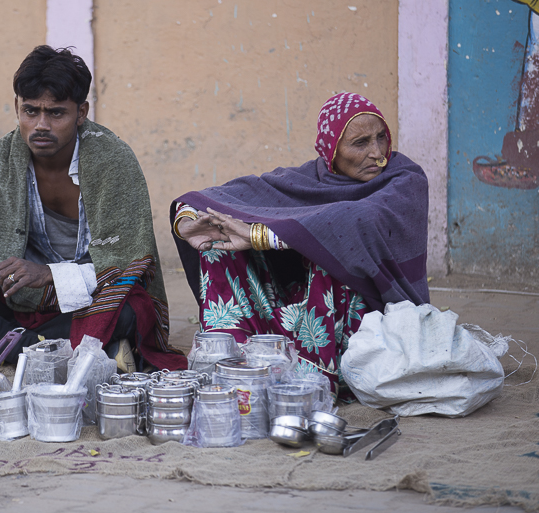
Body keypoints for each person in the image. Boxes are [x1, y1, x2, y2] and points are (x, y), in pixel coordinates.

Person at [0, 45, 186, 372]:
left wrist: (48, 275)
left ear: (81, 112)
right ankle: (68, 353)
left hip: (86, 304)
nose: (41, 124)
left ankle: (2, 347)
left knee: (129, 310)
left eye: (56, 113)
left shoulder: (114, 161)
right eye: (31, 111)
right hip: (16, 302)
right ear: (17, 107)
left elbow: (130, 262)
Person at [171, 92, 430, 401]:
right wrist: (188, 219)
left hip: (370, 311)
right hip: (302, 304)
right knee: (218, 243)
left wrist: (261, 236)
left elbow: (352, 222)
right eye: (360, 143)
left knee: (334, 248)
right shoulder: (308, 178)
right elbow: (224, 195)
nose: (377, 153)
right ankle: (232, 354)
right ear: (331, 150)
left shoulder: (405, 180)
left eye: (381, 138)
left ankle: (317, 377)